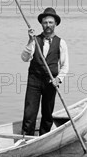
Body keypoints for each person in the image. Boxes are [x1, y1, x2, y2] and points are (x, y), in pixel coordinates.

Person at [20, 7, 69, 136]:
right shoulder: (35, 40)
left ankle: (44, 137)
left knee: (47, 113)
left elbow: (65, 66)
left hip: (50, 82)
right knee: (29, 113)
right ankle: (26, 138)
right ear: (41, 24)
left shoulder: (61, 43)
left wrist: (58, 79)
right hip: (34, 81)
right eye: (45, 22)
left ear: (55, 24)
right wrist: (30, 40)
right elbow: (25, 58)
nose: (48, 25)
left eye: (50, 22)